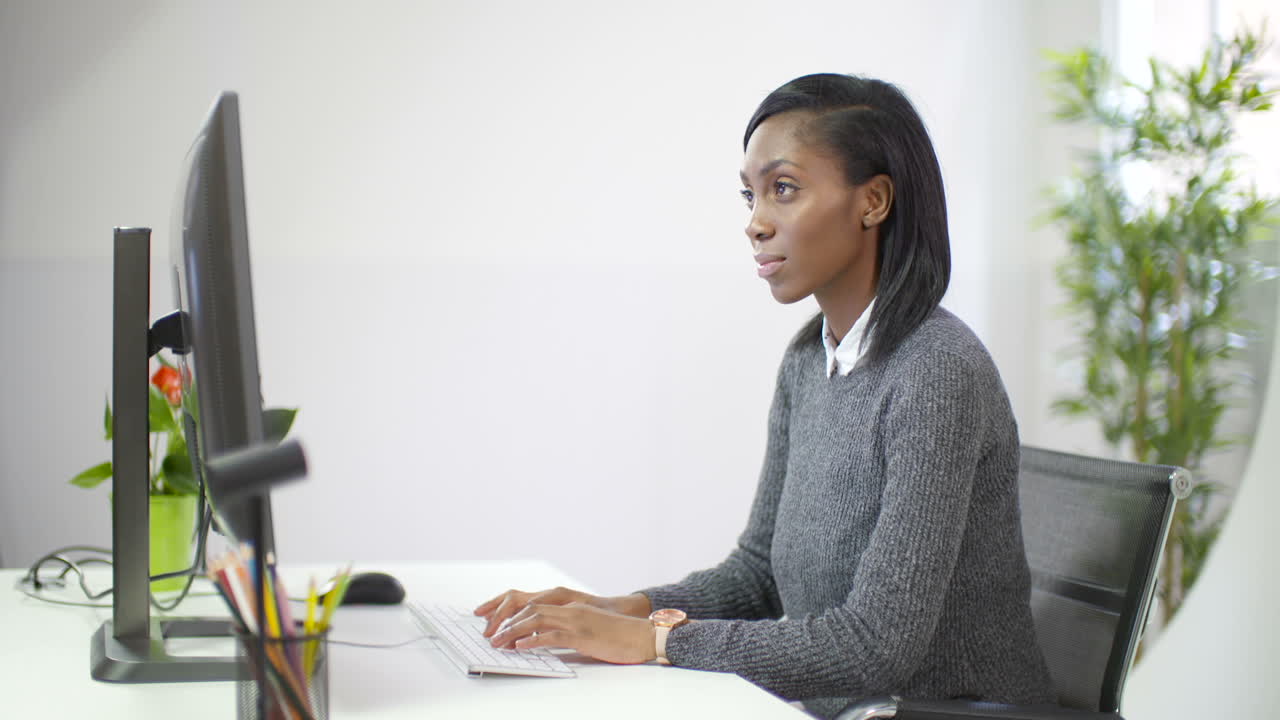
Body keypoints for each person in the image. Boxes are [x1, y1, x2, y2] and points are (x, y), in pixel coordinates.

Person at [474, 73, 1056, 718]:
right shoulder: (810, 358)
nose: (756, 223)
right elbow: (757, 575)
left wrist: (656, 640)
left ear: (874, 201)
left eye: (784, 189)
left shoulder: (936, 371)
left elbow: (875, 648)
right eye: (750, 195)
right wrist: (619, 609)